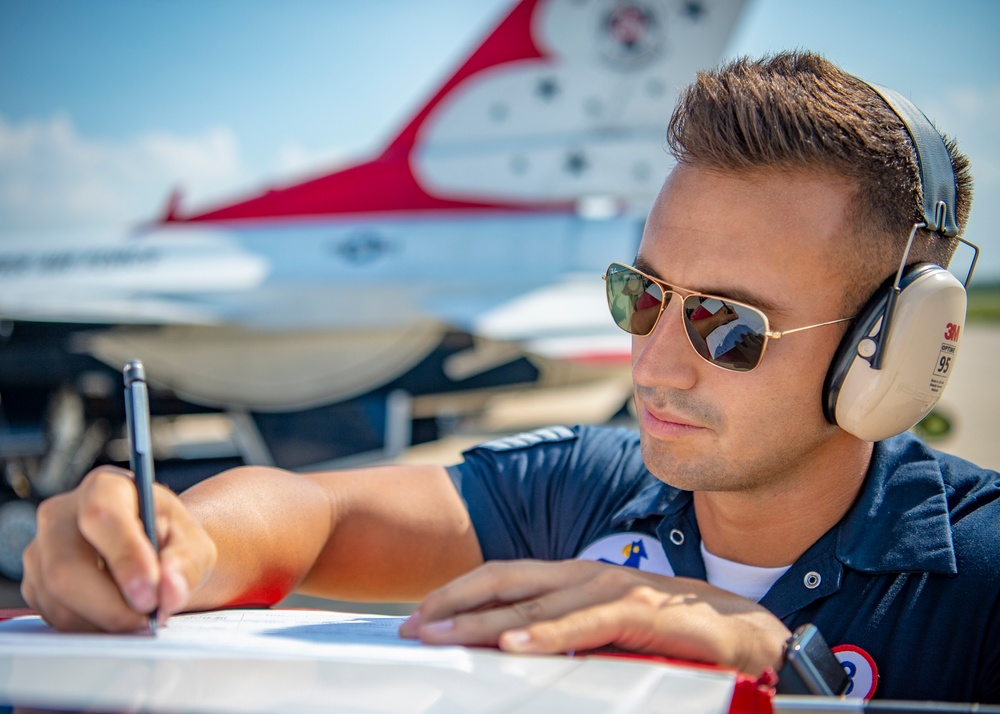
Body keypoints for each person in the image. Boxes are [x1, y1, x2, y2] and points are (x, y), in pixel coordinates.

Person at [20, 52, 1000, 702]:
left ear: (894, 350)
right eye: (643, 295)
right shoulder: (583, 490)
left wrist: (778, 665)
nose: (652, 363)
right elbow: (314, 517)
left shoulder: (983, 573)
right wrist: (180, 541)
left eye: (726, 327)